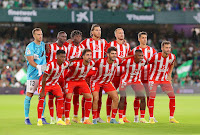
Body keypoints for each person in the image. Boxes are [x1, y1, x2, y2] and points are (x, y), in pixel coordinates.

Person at [80, 24, 108, 123]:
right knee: (86, 94)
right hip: (88, 72)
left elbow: (110, 51)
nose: (99, 32)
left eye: (100, 30)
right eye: (96, 30)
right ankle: (84, 117)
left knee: (98, 96)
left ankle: (96, 116)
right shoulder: (86, 42)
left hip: (100, 73)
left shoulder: (103, 42)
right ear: (92, 32)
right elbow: (80, 52)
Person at [148, 41, 179, 123]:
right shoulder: (156, 57)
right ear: (162, 48)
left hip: (164, 79)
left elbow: (172, 64)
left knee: (172, 96)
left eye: (169, 48)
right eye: (166, 47)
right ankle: (151, 117)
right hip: (154, 79)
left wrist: (169, 75)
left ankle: (171, 118)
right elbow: (147, 63)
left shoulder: (172, 57)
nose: (168, 49)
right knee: (152, 97)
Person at [129, 31, 157, 123]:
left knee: (150, 97)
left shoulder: (152, 50)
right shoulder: (134, 51)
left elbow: (155, 63)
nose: (144, 39)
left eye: (146, 38)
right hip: (138, 78)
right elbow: (130, 63)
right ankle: (136, 117)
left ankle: (151, 116)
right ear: (139, 39)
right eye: (143, 38)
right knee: (138, 97)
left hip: (149, 78)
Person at [37, 50, 69, 126]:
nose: (63, 58)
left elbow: (70, 62)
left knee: (61, 98)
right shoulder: (50, 65)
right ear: (57, 57)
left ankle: (59, 120)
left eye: (64, 57)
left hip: (54, 84)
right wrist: (43, 91)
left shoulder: (64, 64)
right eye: (61, 57)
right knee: (41, 99)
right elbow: (44, 78)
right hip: (45, 83)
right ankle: (39, 120)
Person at [106, 28, 131, 123]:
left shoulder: (127, 45)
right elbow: (108, 57)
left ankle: (123, 116)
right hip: (113, 74)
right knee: (111, 96)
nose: (121, 35)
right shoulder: (111, 44)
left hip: (124, 74)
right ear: (115, 35)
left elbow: (128, 57)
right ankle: (109, 116)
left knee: (124, 95)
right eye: (119, 33)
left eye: (123, 33)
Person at [91, 47, 121, 124]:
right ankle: (94, 119)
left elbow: (124, 58)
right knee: (96, 98)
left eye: (115, 53)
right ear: (107, 54)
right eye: (112, 53)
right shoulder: (100, 61)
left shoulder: (117, 61)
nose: (114, 55)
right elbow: (90, 64)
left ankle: (113, 119)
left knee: (116, 97)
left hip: (107, 82)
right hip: (96, 82)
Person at [24, 28, 48, 125]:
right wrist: (38, 66)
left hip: (42, 75)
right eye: (38, 34)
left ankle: (42, 117)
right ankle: (27, 118)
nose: (40, 36)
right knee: (29, 95)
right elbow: (30, 60)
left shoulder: (43, 45)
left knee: (43, 95)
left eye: (41, 34)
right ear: (34, 36)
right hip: (32, 74)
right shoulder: (30, 46)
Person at [64, 49, 94, 125]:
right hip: (71, 80)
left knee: (89, 97)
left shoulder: (92, 63)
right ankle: (67, 119)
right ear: (83, 56)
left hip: (81, 81)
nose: (89, 57)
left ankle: (86, 119)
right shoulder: (75, 64)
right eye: (87, 55)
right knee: (68, 96)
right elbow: (64, 65)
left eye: (90, 55)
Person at [118, 50, 148, 124]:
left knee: (143, 97)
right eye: (139, 56)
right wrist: (129, 56)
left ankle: (142, 118)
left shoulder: (143, 61)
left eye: (142, 56)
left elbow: (148, 61)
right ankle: (120, 118)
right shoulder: (127, 61)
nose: (141, 57)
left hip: (136, 80)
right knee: (123, 97)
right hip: (125, 80)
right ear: (134, 56)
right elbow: (119, 61)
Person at [46, 31, 68, 124]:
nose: (64, 38)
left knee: (61, 96)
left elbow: (66, 61)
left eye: (65, 37)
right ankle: (52, 118)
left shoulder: (65, 48)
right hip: (51, 75)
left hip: (61, 76)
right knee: (51, 97)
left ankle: (60, 117)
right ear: (58, 37)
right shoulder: (50, 46)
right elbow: (46, 58)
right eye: (62, 36)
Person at [66, 30, 85, 123]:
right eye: (76, 37)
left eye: (79, 37)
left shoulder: (82, 47)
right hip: (68, 74)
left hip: (79, 74)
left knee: (77, 96)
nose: (78, 38)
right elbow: (67, 59)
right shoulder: (68, 46)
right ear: (72, 38)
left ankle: (75, 116)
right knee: (67, 96)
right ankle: (63, 116)